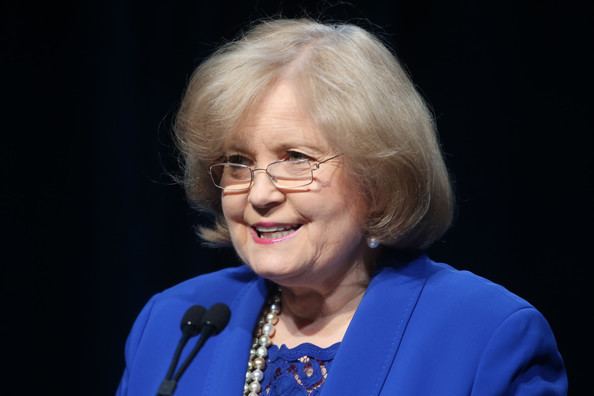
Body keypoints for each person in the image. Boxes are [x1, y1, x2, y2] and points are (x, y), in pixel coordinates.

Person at [117, 19, 567, 395]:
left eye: (296, 158)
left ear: (376, 176)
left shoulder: (486, 334)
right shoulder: (172, 322)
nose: (259, 194)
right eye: (238, 162)